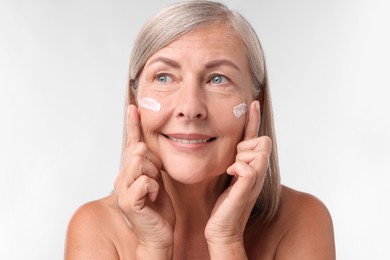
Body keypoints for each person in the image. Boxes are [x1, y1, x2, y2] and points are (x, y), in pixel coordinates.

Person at [64, 1, 335, 259]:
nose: (190, 107)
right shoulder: (94, 227)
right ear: (135, 101)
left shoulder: (301, 219)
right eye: (164, 77)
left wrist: (226, 241)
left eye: (218, 79)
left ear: (257, 104)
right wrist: (153, 247)